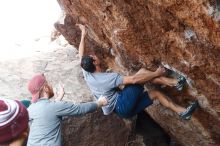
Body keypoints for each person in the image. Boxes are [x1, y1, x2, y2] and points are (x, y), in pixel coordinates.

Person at [77, 24, 199, 120]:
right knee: (142, 72)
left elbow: (80, 54)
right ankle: (175, 82)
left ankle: (183, 112)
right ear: (95, 63)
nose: (95, 55)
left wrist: (83, 34)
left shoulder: (87, 73)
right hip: (122, 103)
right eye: (93, 57)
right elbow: (134, 80)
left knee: (155, 93)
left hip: (122, 112)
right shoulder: (107, 78)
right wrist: (156, 73)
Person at [27, 74, 107, 146]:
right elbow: (80, 109)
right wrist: (99, 103)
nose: (51, 85)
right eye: (48, 83)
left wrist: (58, 99)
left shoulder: (30, 109)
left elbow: (46, 111)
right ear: (45, 88)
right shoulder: (54, 107)